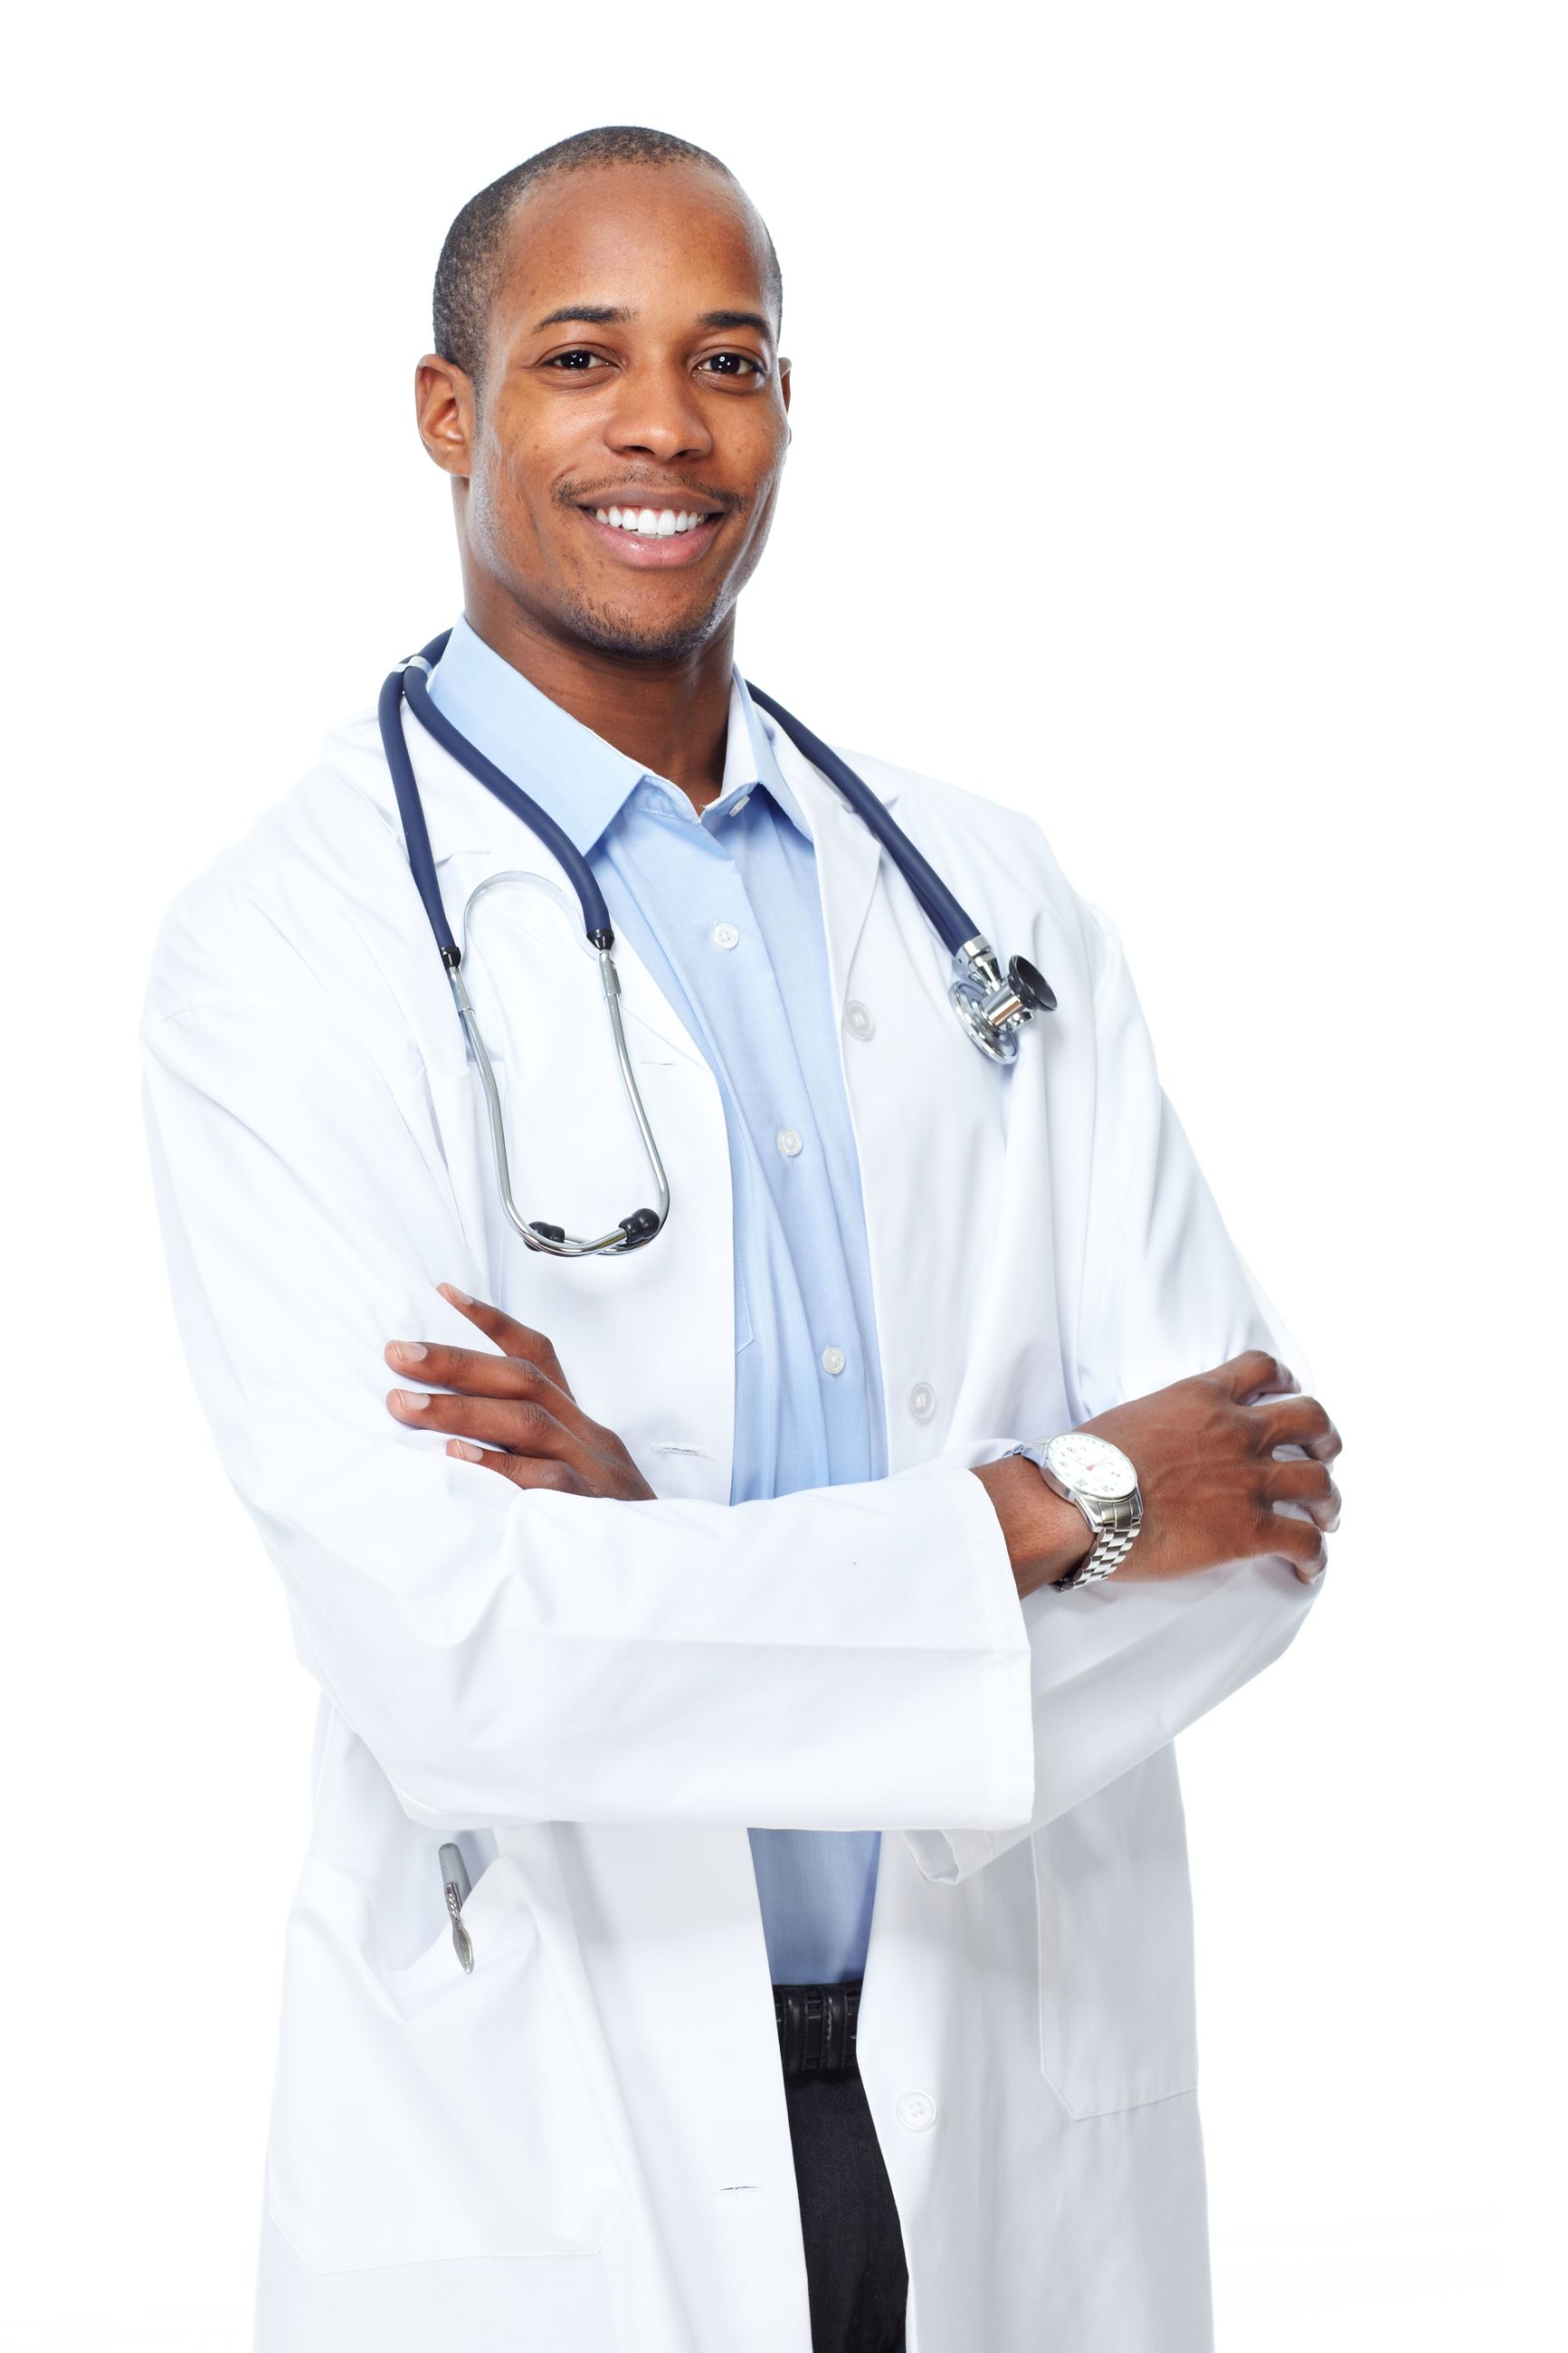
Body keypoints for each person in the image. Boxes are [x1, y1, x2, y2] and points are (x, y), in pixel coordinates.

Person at [140, 124, 1343, 2353]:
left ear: (790, 406)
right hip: (562, 2098)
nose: (665, 428)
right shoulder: (289, 954)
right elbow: (457, 1649)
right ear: (450, 409)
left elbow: (1256, 1510)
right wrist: (1048, 1507)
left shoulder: (992, 896)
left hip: (992, 2060)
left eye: (732, 359)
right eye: (581, 355)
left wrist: (666, 1561)